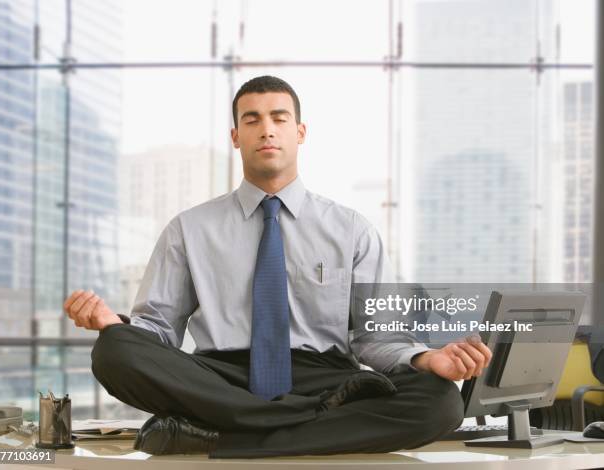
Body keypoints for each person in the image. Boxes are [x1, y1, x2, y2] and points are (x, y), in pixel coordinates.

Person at [63, 75, 492, 459]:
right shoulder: (189, 229)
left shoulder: (351, 230)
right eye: (251, 119)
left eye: (279, 117)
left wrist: (426, 358)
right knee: (114, 351)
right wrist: (113, 325)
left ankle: (218, 437)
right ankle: (292, 425)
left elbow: (377, 338)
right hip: (219, 379)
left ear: (300, 131)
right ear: (235, 136)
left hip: (324, 381)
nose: (266, 128)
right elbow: (157, 330)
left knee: (440, 401)